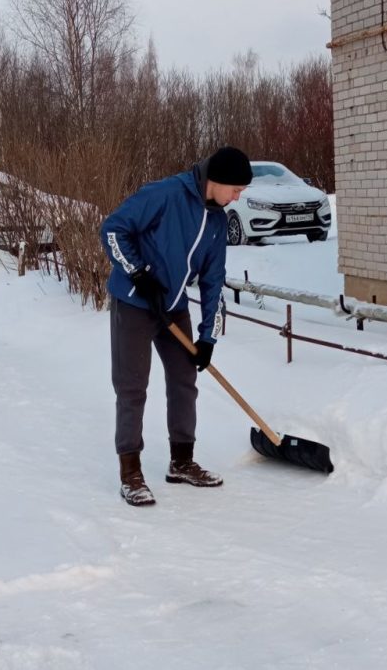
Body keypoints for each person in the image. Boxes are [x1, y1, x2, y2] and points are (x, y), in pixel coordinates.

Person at [100, 146, 253, 507]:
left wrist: (208, 337)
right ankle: (130, 473)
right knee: (132, 387)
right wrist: (138, 273)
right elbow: (113, 230)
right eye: (235, 189)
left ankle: (181, 462)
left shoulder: (217, 222)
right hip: (134, 303)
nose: (238, 197)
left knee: (185, 380)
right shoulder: (165, 194)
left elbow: (214, 280)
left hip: (172, 306)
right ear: (216, 180)